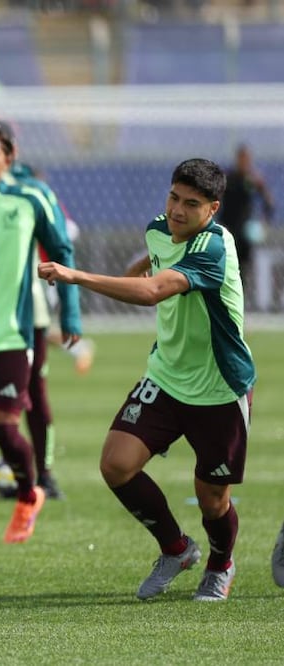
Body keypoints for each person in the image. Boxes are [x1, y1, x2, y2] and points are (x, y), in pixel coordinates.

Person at [39, 158, 256, 602]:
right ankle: (176, 549)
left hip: (218, 387)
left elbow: (156, 291)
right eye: (174, 197)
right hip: (166, 376)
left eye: (191, 204)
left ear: (212, 209)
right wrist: (136, 269)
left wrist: (76, 275)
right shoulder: (159, 228)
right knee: (116, 464)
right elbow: (151, 262)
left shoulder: (214, 248)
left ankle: (220, 564)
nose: (177, 210)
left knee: (212, 498)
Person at [0, 122, 82, 545]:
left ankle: (31, 492)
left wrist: (70, 312)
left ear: (8, 157)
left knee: (5, 427)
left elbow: (60, 250)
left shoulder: (30, 198)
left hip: (11, 336)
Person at [218, 144, 273, 285]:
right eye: (241, 158)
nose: (244, 162)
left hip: (245, 231)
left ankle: (240, 294)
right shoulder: (228, 178)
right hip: (228, 228)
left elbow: (269, 202)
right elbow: (215, 198)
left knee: (243, 267)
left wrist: (264, 222)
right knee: (226, 265)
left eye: (246, 158)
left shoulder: (253, 179)